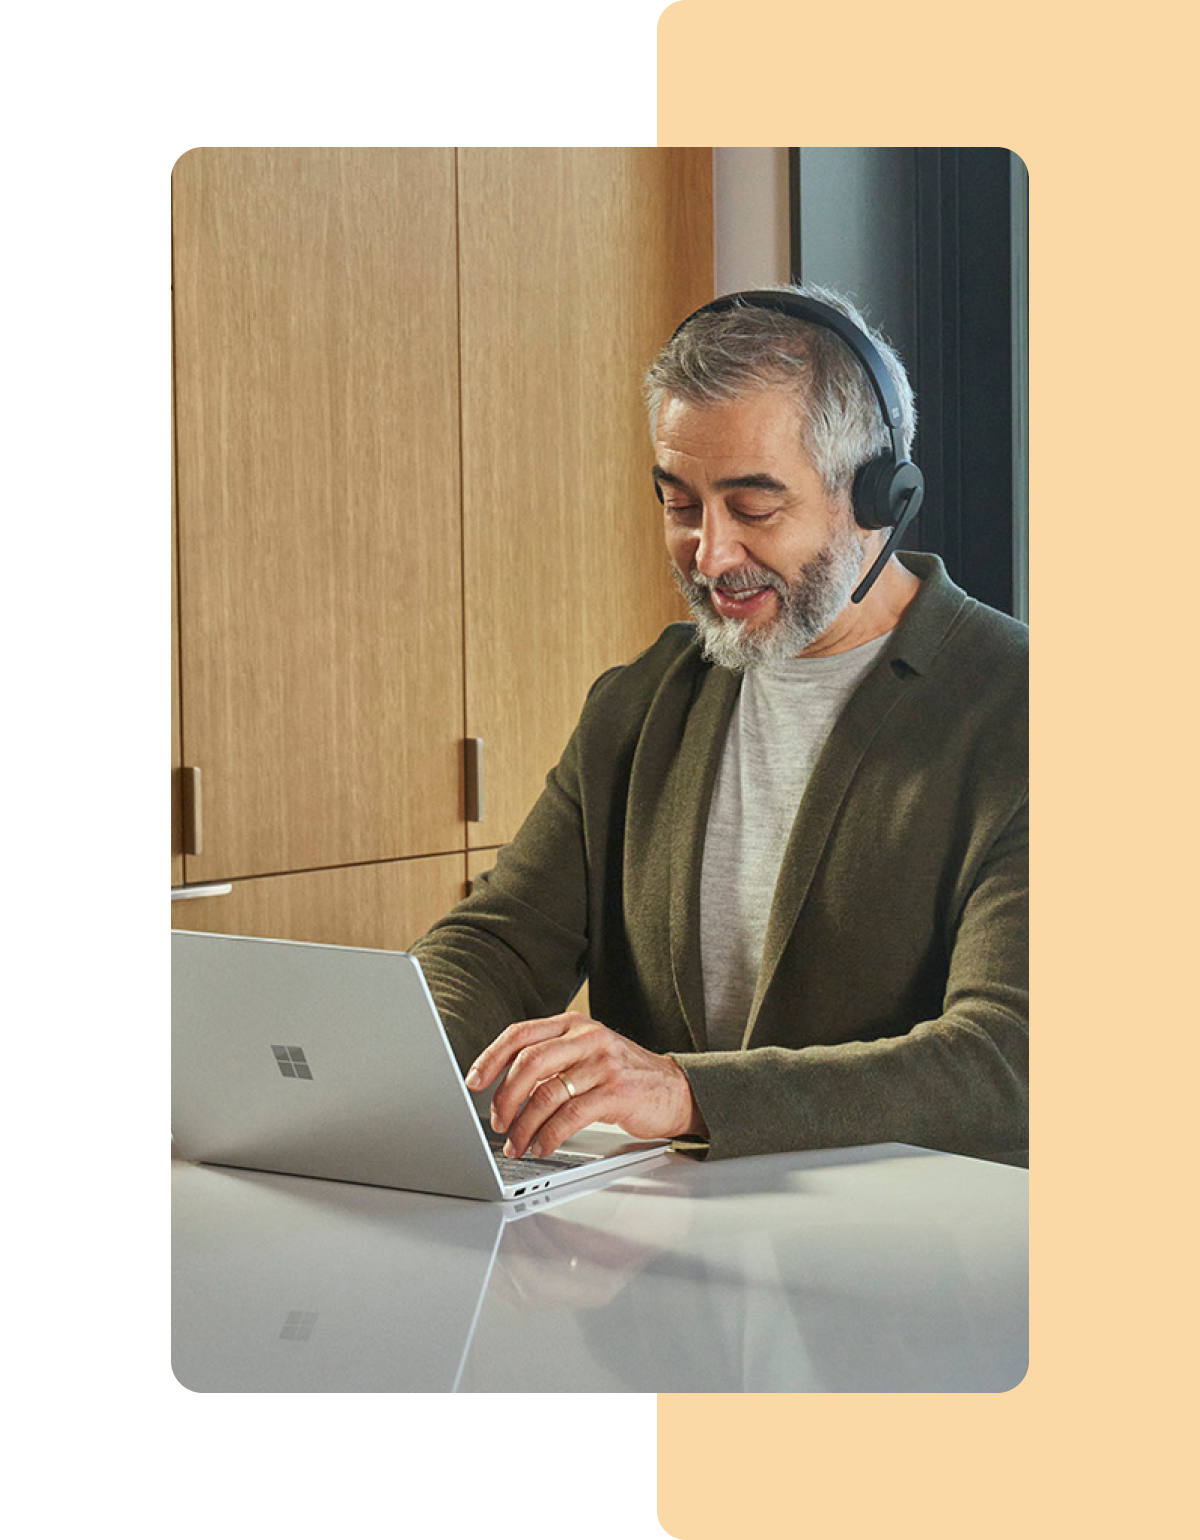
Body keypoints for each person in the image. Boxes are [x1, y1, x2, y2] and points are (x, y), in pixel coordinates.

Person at [411, 283, 1028, 1168]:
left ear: (877, 499)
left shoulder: (1025, 709)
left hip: (919, 1281)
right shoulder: (643, 700)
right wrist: (395, 1055)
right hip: (669, 1271)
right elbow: (499, 942)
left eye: (754, 507)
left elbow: (1012, 1061)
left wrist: (689, 1092)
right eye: (680, 504)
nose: (711, 556)